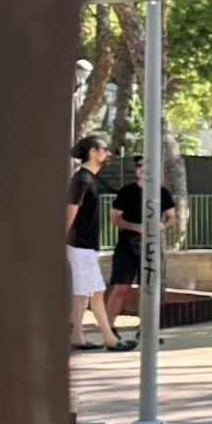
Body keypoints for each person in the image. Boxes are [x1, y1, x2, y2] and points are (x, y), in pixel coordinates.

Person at [67, 136, 134, 353]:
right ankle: (110, 339)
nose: (108, 154)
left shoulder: (86, 178)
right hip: (80, 246)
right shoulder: (82, 179)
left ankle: (77, 336)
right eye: (104, 149)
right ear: (93, 152)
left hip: (83, 246)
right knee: (97, 292)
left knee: (82, 294)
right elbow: (71, 210)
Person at [107, 156, 176, 321]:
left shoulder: (162, 192)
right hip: (127, 245)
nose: (142, 168)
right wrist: (135, 227)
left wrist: (163, 226)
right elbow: (115, 218)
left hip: (151, 246)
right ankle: (109, 328)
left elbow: (172, 218)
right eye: (139, 165)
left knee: (147, 288)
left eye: (146, 165)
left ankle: (145, 328)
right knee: (121, 286)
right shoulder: (126, 192)